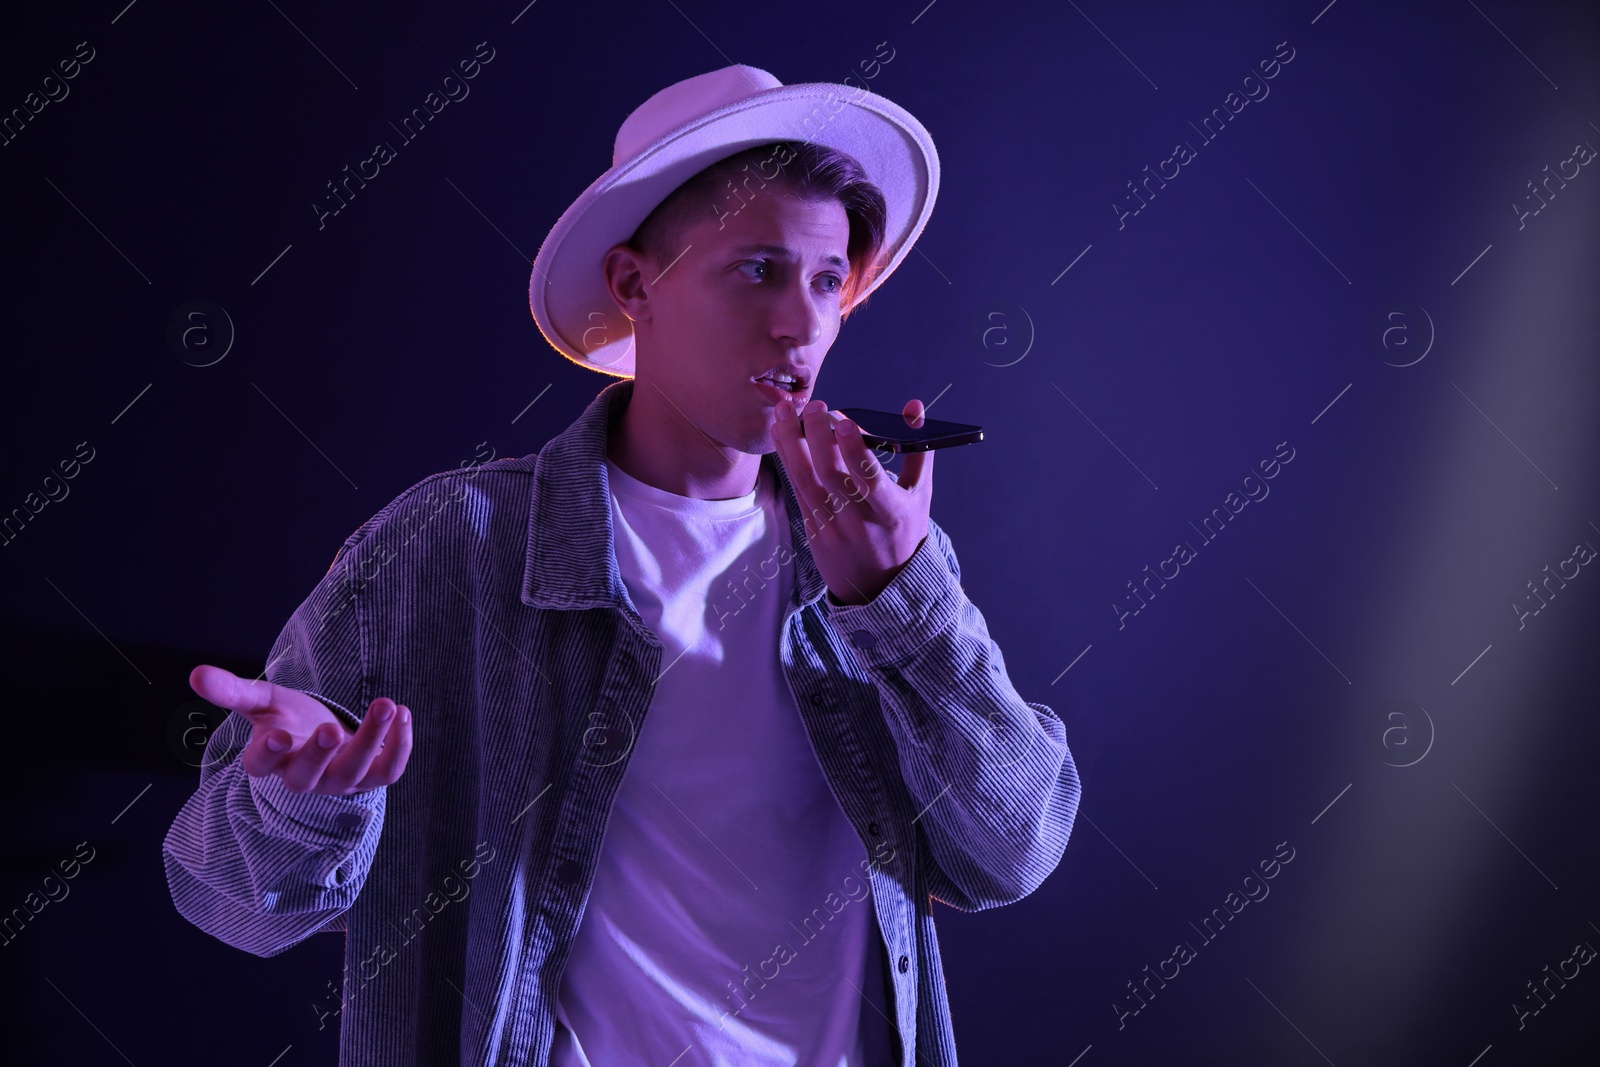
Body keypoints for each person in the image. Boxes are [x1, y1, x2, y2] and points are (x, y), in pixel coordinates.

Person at [162, 64, 1080, 1067]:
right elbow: (223, 898)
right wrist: (307, 796)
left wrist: (902, 604)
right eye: (756, 269)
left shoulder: (882, 560)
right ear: (635, 284)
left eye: (826, 280)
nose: (802, 322)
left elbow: (1010, 855)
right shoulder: (444, 546)